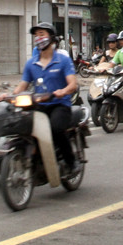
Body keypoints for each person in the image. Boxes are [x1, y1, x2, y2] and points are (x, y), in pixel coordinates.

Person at [12, 22, 80, 174]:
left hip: (59, 104)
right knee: (24, 128)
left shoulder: (63, 60)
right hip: (38, 105)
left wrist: (62, 91)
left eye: (42, 34)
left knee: (56, 128)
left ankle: (71, 162)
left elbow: (72, 85)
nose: (38, 38)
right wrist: (10, 95)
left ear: (51, 38)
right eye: (36, 35)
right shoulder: (31, 63)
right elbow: (23, 85)